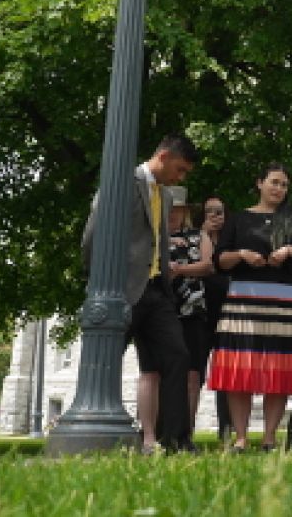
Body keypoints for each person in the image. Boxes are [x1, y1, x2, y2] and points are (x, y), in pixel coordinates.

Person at [81, 133, 199, 454]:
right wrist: (98, 281)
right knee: (106, 358)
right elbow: (94, 229)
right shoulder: (122, 181)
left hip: (157, 291)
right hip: (120, 289)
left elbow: (157, 240)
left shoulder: (166, 195)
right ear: (162, 157)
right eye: (180, 169)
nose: (181, 177)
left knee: (178, 356)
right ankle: (94, 430)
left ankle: (176, 440)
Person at [210, 163, 292, 451]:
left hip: (283, 301)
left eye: (284, 185)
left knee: (278, 368)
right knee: (241, 367)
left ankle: (270, 437)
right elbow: (219, 260)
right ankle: (240, 437)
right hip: (242, 301)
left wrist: (289, 251)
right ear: (259, 183)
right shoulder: (238, 219)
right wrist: (241, 255)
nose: (279, 189)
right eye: (274, 182)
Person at [166, 187, 215, 436]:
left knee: (193, 374)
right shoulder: (151, 237)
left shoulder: (199, 236)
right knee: (159, 372)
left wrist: (180, 270)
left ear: (184, 212)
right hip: (162, 311)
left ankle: (186, 431)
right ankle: (157, 429)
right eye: (168, 208)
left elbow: (207, 266)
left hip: (193, 311)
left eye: (176, 209)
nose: (172, 214)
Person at [197, 195, 232, 442]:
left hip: (228, 313)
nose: (214, 216)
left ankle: (227, 429)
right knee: (194, 371)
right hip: (200, 314)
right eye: (209, 211)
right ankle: (182, 427)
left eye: (219, 211)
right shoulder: (195, 239)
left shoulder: (231, 244)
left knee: (226, 373)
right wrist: (204, 235)